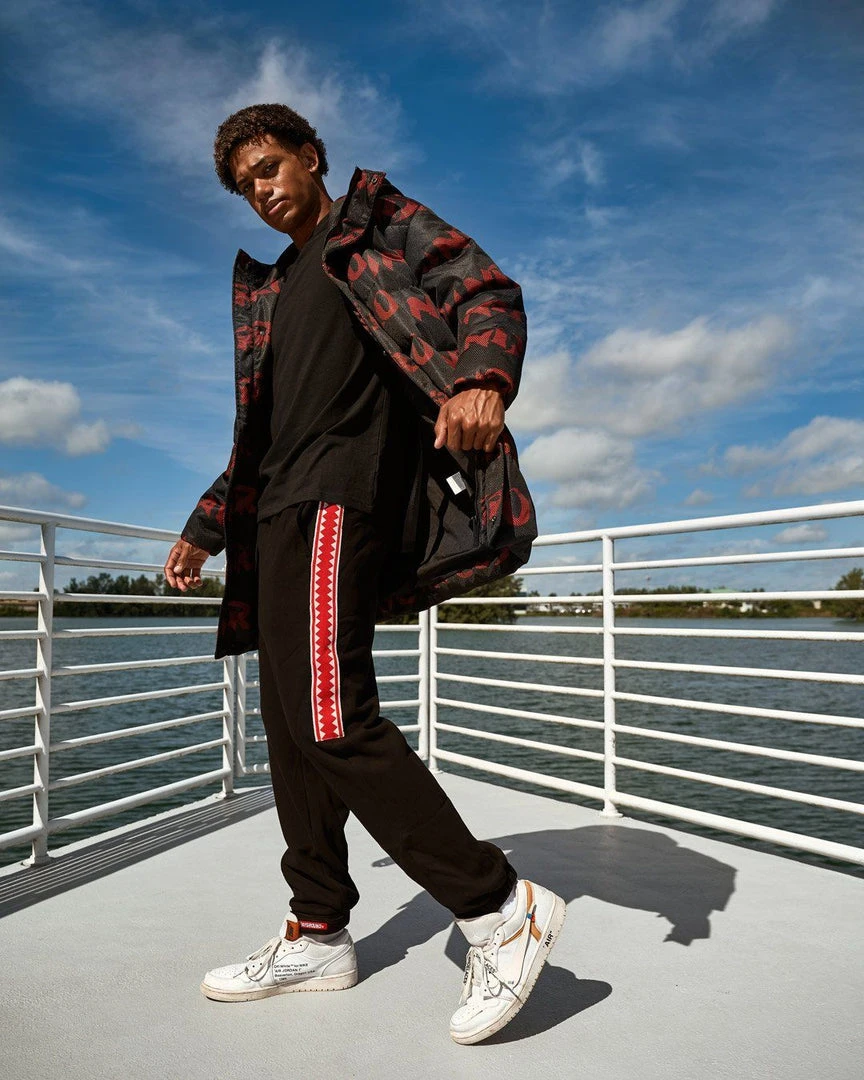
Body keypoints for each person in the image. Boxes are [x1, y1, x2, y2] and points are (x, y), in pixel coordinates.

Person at [163, 103, 565, 1045]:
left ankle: (500, 908)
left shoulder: (375, 226)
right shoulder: (275, 289)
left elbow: (485, 289)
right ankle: (318, 930)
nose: (262, 191)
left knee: (333, 719)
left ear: (311, 157)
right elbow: (261, 438)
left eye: (270, 167)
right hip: (274, 518)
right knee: (291, 731)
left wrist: (483, 378)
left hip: (339, 501)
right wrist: (206, 527)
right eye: (245, 185)